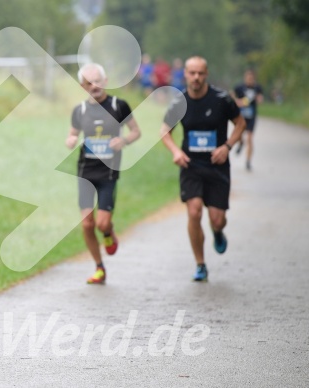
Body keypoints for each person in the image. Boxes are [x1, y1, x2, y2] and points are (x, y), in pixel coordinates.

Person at [159, 56, 245, 282]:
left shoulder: (222, 99)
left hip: (217, 166)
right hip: (191, 165)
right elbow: (164, 132)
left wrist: (227, 146)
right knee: (194, 211)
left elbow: (240, 124)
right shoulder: (179, 103)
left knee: (217, 219)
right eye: (192, 73)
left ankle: (217, 231)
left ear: (206, 74)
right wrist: (176, 152)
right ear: (185, 74)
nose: (196, 78)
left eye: (200, 73)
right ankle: (200, 264)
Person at [66, 63, 141, 284]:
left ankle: (109, 233)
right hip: (85, 171)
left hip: (108, 172)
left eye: (97, 81)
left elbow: (136, 131)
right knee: (87, 224)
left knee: (102, 224)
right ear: (82, 86)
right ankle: (99, 267)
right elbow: (72, 134)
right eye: (89, 83)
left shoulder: (119, 105)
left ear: (105, 80)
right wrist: (70, 140)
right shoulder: (79, 110)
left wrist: (124, 140)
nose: (94, 86)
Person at [232, 69, 264, 170]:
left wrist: (258, 99)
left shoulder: (257, 88)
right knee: (238, 136)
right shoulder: (239, 87)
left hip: (251, 117)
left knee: (250, 138)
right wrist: (239, 102)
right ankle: (241, 143)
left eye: (251, 78)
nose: (249, 80)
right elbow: (232, 97)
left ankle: (248, 161)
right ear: (245, 78)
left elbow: (260, 99)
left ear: (254, 78)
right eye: (248, 77)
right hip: (241, 117)